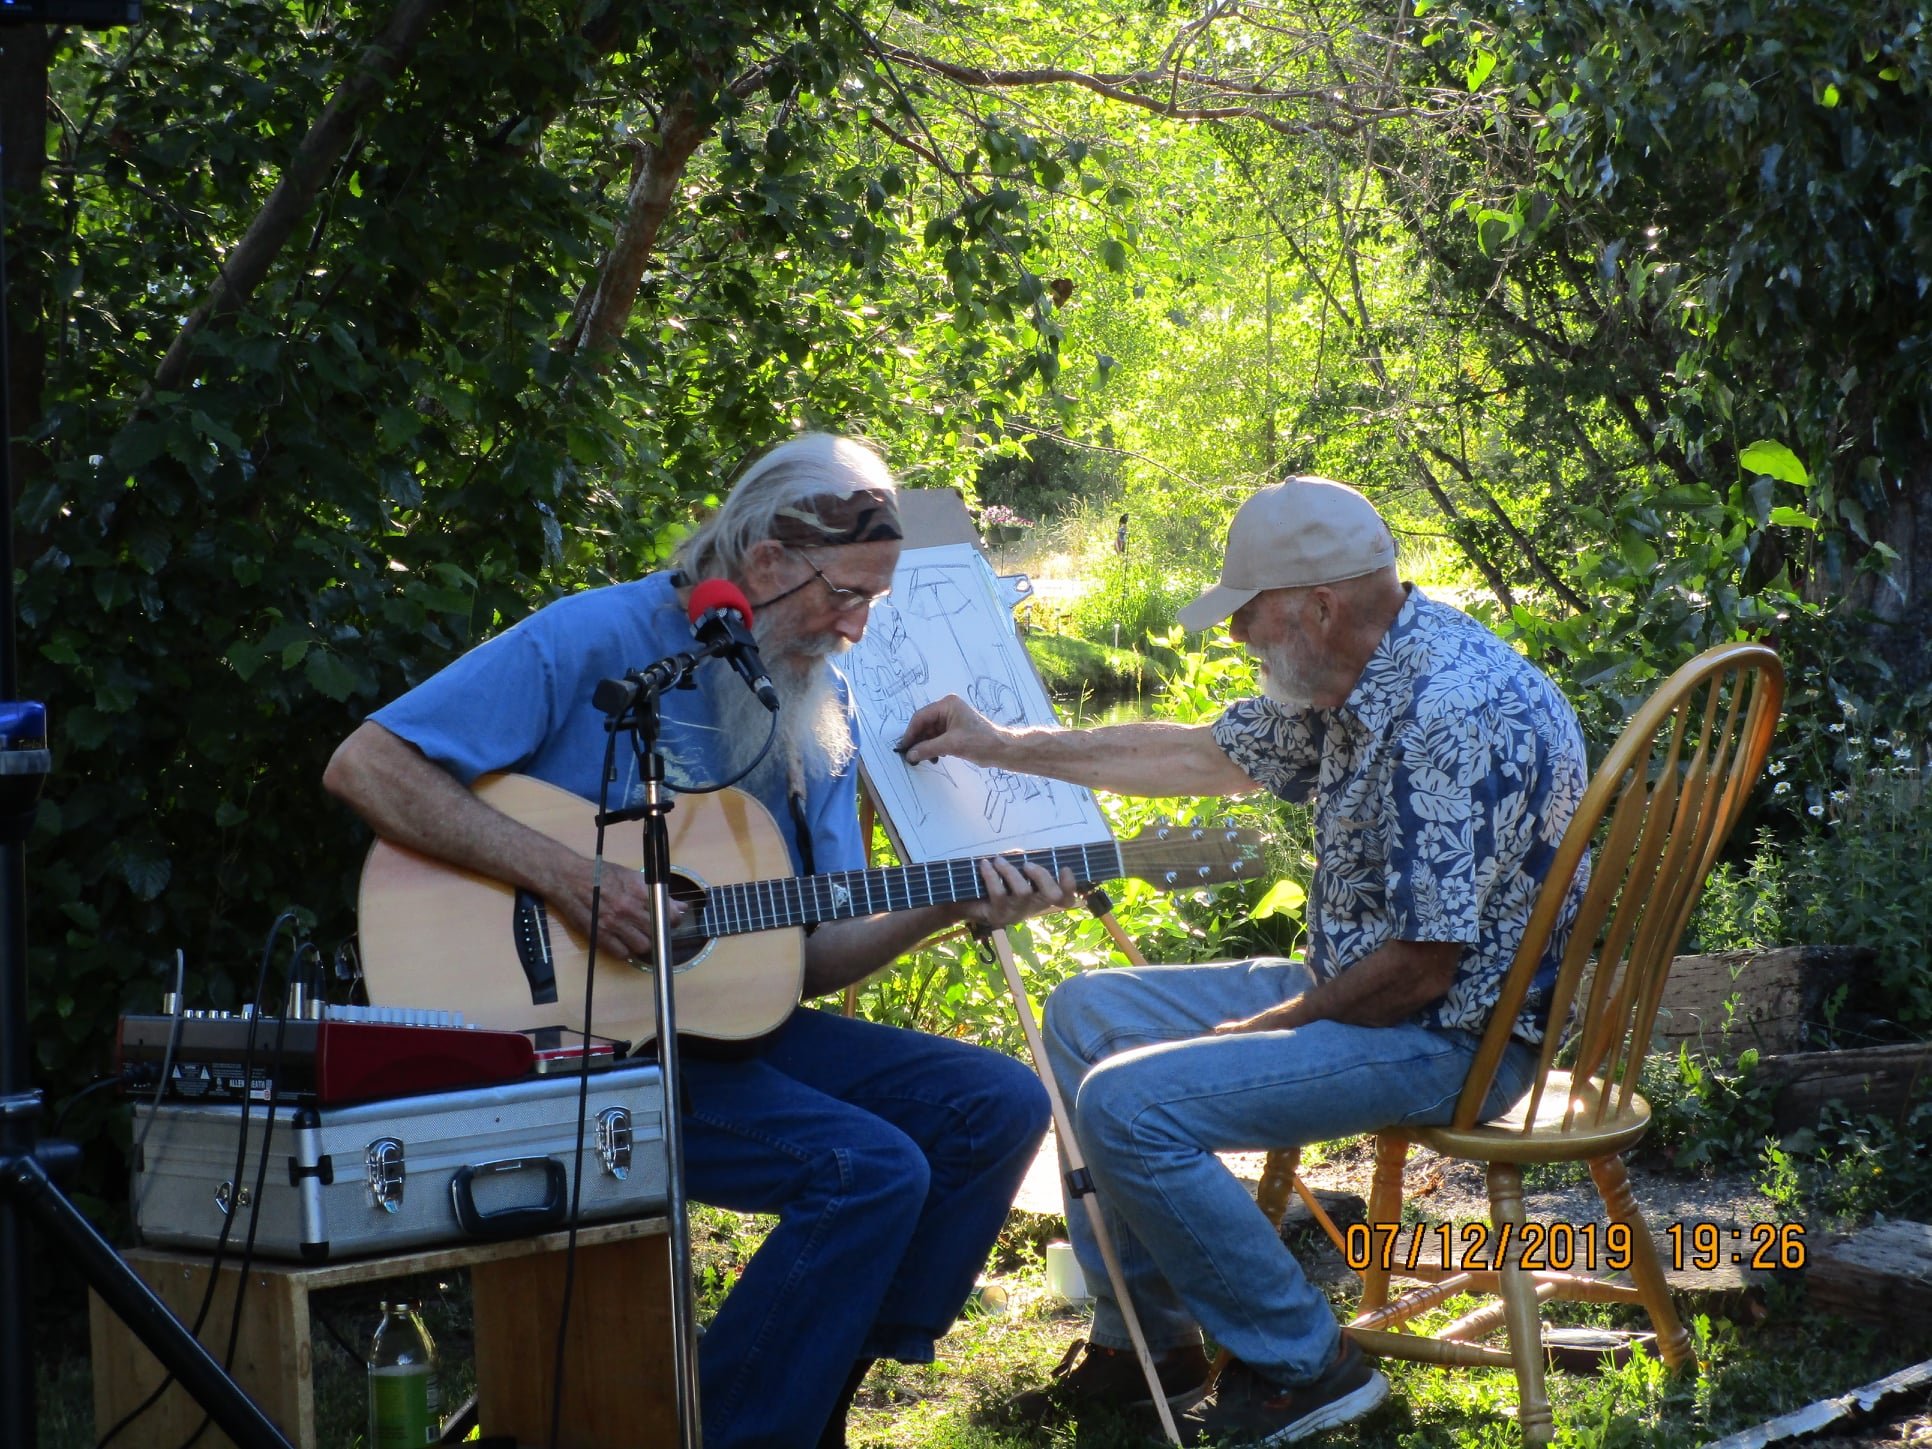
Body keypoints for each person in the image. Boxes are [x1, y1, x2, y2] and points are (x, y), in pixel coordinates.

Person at [324, 434, 1067, 1449]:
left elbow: (810, 952)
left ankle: (812, 1400)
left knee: (995, 1105)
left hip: (724, 1039)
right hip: (559, 1049)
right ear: (763, 562)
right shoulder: (596, 637)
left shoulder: (818, 704)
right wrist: (571, 877)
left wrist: (950, 903)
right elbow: (368, 765)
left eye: (872, 603)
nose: (854, 630)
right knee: (869, 1169)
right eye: (842, 595)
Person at [897, 476, 1590, 1448]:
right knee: (1083, 1018)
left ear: (1319, 605)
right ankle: (1149, 1344)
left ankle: (1304, 1365)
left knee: (1130, 1104)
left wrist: (1272, 1028)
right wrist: (1002, 745)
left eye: (1248, 617)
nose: (1235, 640)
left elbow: (1425, 968)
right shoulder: (1361, 672)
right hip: (1368, 992)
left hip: (1449, 1038)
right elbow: (1201, 756)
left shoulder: (1448, 712)